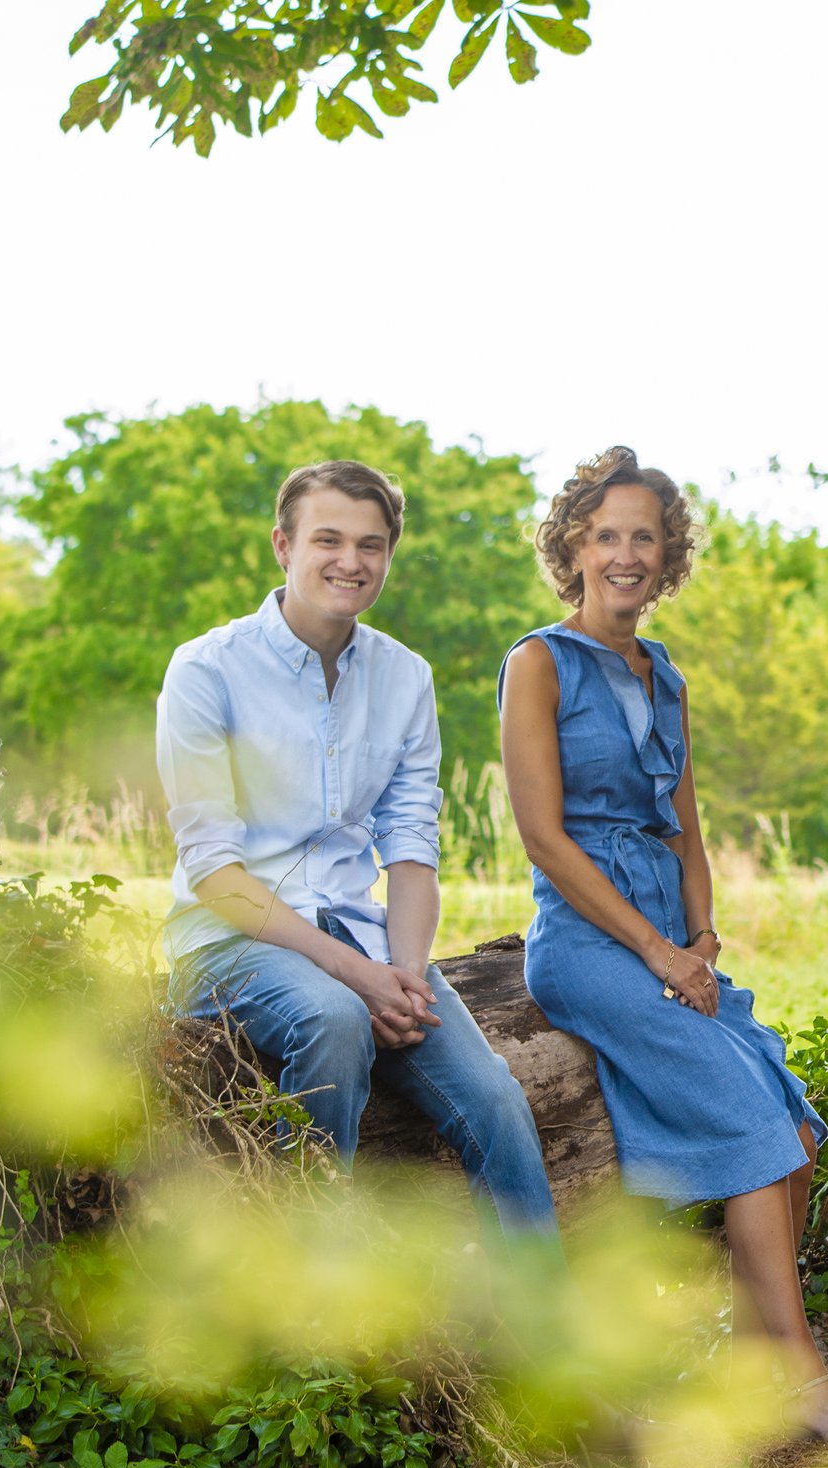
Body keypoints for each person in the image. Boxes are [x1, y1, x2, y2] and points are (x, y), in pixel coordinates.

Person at [498, 446, 828, 1445]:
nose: (626, 553)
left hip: (674, 939)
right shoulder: (537, 661)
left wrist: (702, 935)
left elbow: (686, 825)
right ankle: (799, 1378)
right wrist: (655, 952)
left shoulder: (662, 671)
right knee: (752, 1132)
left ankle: (750, 1365)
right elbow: (543, 834)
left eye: (645, 536)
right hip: (588, 945)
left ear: (666, 554)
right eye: (607, 535)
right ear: (573, 548)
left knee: (793, 1128)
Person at [159, 460, 559, 1235]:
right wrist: (359, 979)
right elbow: (213, 871)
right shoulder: (207, 669)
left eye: (371, 545)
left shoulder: (405, 676)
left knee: (497, 1097)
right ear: (283, 545)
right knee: (333, 1017)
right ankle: (312, 1302)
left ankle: (544, 1328)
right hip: (231, 942)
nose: (351, 561)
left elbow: (411, 846)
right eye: (329, 539)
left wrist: (404, 977)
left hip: (366, 937)